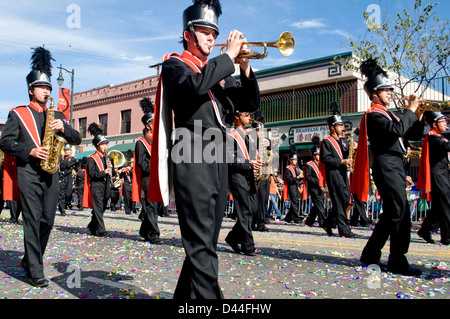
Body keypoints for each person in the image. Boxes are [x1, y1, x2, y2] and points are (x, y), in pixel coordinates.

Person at [148, 0, 260, 299]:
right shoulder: (175, 65)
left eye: (215, 32)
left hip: (218, 155)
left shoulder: (219, 73)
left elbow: (248, 105)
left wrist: (245, 67)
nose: (212, 38)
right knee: (200, 244)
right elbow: (195, 86)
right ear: (188, 34)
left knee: (206, 241)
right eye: (205, 31)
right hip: (191, 151)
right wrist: (227, 57)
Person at [0, 47, 81, 287]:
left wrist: (63, 128)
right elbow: (5, 142)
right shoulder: (18, 113)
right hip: (28, 171)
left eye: (48, 88)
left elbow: (76, 138)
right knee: (32, 219)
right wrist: (31, 150)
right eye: (42, 87)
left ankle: (29, 259)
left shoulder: (57, 116)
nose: (46, 91)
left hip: (51, 171)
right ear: (31, 90)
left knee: (47, 220)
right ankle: (35, 270)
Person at [352, 58, 425, 276]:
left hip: (396, 165)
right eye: (385, 90)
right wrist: (410, 111)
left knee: (391, 213)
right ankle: (397, 261)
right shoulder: (374, 115)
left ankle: (370, 254)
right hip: (386, 164)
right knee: (400, 212)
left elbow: (411, 133)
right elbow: (396, 132)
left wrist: (418, 115)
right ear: (374, 93)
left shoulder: (390, 114)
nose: (390, 93)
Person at [225, 110, 260, 256]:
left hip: (248, 174)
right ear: (237, 117)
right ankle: (248, 246)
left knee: (254, 209)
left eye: (249, 114)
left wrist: (257, 162)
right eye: (246, 114)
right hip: (237, 175)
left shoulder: (249, 135)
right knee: (245, 210)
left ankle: (233, 237)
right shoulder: (230, 135)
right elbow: (230, 159)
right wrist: (248, 163)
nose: (249, 117)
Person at [416, 111, 450, 245]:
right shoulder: (432, 136)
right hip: (437, 174)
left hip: (442, 172)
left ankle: (426, 229)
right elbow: (446, 146)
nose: (446, 123)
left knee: (439, 205)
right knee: (446, 203)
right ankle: (447, 236)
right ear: (434, 124)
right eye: (442, 121)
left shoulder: (438, 136)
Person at [132, 97, 162, 244]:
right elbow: (142, 163)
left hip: (157, 177)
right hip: (148, 177)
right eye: (153, 122)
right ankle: (154, 234)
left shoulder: (158, 142)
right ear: (148, 125)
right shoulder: (141, 142)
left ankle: (145, 230)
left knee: (154, 205)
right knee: (151, 205)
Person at [83, 123, 115, 237]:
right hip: (96, 185)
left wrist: (112, 170)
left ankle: (92, 225)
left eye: (106, 144)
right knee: (98, 207)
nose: (105, 147)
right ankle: (101, 230)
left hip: (106, 185)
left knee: (103, 207)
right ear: (97, 146)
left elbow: (113, 173)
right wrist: (103, 172)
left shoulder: (108, 158)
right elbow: (92, 173)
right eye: (103, 145)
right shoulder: (91, 159)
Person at [303, 136, 326, 228]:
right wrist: (318, 182)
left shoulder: (321, 165)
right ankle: (323, 222)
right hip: (314, 187)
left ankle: (309, 221)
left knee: (317, 205)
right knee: (320, 205)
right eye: (318, 155)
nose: (319, 156)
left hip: (320, 187)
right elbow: (308, 177)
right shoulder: (309, 165)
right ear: (314, 155)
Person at [283, 145, 302, 224]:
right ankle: (296, 219)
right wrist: (297, 177)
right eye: (294, 160)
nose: (296, 161)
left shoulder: (296, 168)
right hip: (291, 186)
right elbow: (289, 179)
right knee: (294, 202)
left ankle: (288, 218)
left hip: (296, 186)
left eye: (296, 159)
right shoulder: (288, 168)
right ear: (291, 160)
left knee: (295, 202)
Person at [57, 145, 77, 215]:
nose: (66, 151)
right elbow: (63, 166)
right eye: (65, 150)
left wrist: (64, 163)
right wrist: (66, 163)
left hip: (69, 177)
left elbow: (68, 165)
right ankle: (62, 209)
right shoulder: (61, 158)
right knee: (61, 193)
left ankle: (65, 205)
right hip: (62, 176)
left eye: (68, 150)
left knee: (68, 193)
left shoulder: (73, 158)